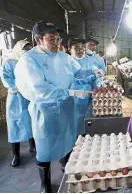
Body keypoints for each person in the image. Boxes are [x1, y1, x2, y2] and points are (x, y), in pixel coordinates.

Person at [14, 21, 95, 193]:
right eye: (51, 39)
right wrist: (70, 93)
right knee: (45, 148)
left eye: (58, 39)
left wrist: (93, 73)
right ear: (38, 40)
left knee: (67, 140)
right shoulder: (29, 60)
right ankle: (45, 184)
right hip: (45, 112)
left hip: (66, 110)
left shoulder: (63, 56)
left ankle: (67, 168)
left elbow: (77, 72)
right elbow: (40, 89)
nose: (57, 43)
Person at [0, 39, 35, 167]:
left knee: (31, 122)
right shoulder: (9, 63)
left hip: (28, 98)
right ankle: (16, 154)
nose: (27, 52)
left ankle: (33, 146)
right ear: (18, 50)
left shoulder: (30, 62)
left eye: (29, 50)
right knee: (14, 125)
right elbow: (7, 81)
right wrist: (22, 87)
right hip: (15, 99)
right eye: (25, 50)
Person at [68, 38, 94, 136]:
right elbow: (70, 81)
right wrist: (87, 79)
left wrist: (95, 75)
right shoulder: (67, 62)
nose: (80, 50)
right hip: (74, 99)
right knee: (75, 125)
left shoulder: (84, 60)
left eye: (82, 48)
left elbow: (88, 71)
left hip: (86, 97)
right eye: (77, 48)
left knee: (85, 123)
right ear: (70, 49)